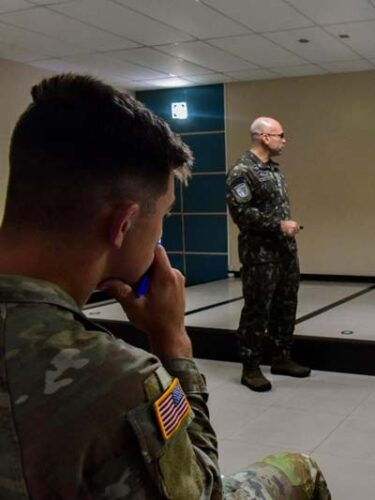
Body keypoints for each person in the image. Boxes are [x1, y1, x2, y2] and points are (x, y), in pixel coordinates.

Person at [0, 74, 330, 499]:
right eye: (163, 217)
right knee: (300, 468)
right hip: (259, 256)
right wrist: (172, 343)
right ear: (122, 224)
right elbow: (199, 491)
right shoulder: (117, 382)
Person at [226, 117, 309, 392]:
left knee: (286, 306)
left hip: (285, 253)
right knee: (257, 311)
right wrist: (278, 225)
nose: (284, 140)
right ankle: (250, 368)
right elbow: (242, 213)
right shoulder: (241, 171)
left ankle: (281, 358)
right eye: (280, 135)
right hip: (260, 256)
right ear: (264, 137)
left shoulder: (273, 170)